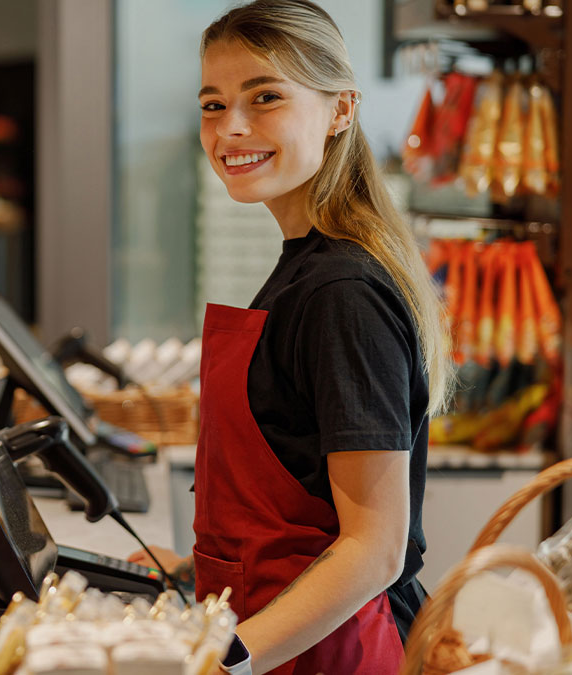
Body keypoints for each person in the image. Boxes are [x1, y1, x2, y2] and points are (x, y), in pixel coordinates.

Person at [128, 2, 452, 673]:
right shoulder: (304, 266)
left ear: (340, 110)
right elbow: (299, 499)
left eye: (265, 97)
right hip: (283, 634)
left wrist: (229, 657)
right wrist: (198, 567)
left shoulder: (341, 292)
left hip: (335, 651)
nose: (231, 128)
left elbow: (375, 546)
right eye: (212, 105)